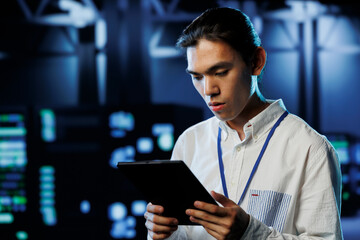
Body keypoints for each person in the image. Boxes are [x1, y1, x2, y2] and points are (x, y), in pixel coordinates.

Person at [144, 7, 343, 240]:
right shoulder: (190, 142)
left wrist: (250, 233)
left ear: (256, 62)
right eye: (197, 77)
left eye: (220, 71)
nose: (209, 91)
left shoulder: (311, 149)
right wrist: (163, 233)